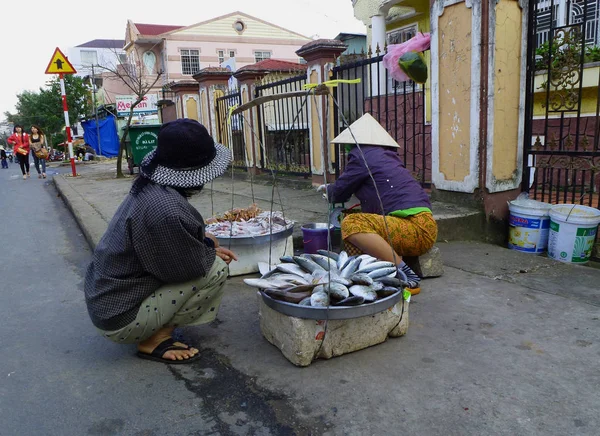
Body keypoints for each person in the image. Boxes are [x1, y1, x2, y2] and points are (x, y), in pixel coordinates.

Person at [84, 118, 237, 364]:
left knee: (208, 251)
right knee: (215, 269)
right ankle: (153, 340)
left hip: (108, 300)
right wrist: (208, 250)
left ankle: (152, 329)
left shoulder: (152, 189)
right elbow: (186, 269)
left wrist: (202, 242)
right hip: (118, 318)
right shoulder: (166, 208)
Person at [318, 113, 438, 295]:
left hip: (415, 230)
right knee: (353, 217)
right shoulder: (386, 156)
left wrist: (328, 190)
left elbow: (340, 191)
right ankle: (374, 270)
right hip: (422, 227)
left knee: (351, 223)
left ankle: (405, 275)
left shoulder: (361, 157)